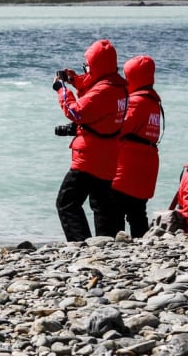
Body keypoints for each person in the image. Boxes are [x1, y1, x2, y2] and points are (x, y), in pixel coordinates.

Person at [53, 38, 128, 241]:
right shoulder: (118, 86)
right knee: (101, 204)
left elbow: (75, 111)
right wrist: (75, 80)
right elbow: (96, 89)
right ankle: (105, 242)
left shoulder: (103, 91)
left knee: (66, 203)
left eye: (87, 65)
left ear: (96, 65)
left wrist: (62, 90)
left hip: (89, 157)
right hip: (108, 155)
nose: (85, 68)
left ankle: (80, 244)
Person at [111, 55, 163, 237]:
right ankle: (141, 243)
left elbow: (117, 127)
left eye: (127, 75)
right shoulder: (153, 102)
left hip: (129, 166)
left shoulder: (136, 102)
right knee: (137, 212)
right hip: (148, 165)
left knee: (115, 211)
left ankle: (114, 247)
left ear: (134, 77)